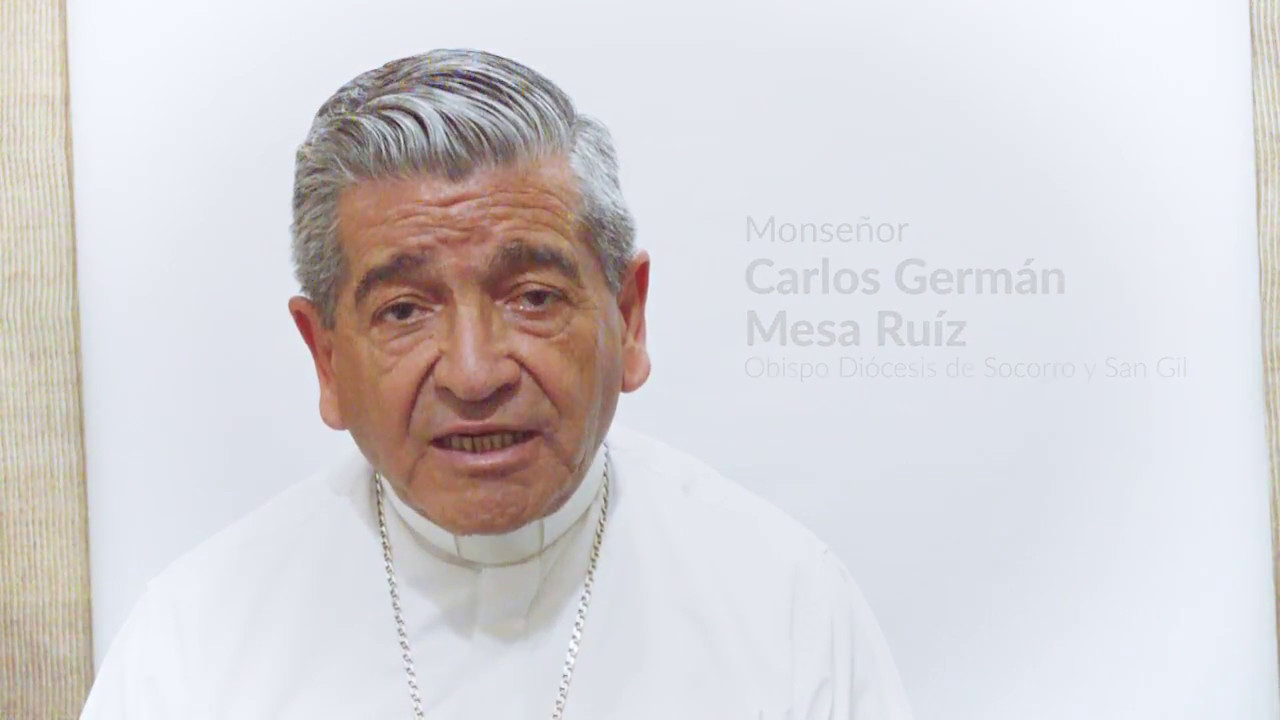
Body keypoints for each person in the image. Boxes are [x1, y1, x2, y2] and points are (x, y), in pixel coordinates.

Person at [79, 48, 913, 719]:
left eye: (533, 297)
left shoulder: (785, 604)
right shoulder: (195, 640)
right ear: (325, 357)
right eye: (404, 311)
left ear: (628, 318)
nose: (474, 374)